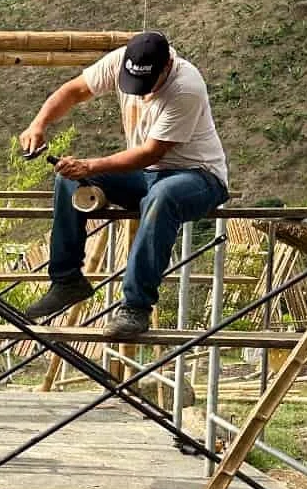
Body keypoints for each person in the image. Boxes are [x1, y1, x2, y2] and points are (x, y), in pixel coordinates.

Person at [17, 30, 229, 339]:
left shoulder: (187, 87)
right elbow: (74, 91)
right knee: (68, 180)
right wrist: (38, 123)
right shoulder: (120, 61)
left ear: (167, 66)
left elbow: (150, 153)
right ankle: (67, 280)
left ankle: (136, 306)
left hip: (197, 177)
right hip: (147, 176)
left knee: (163, 195)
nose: (140, 93)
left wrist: (89, 165)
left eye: (148, 85)